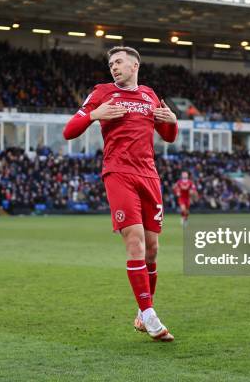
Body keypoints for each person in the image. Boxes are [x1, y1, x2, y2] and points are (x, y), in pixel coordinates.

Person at [63, 46, 177, 341]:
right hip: (119, 173)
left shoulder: (150, 95)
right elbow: (69, 131)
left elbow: (168, 136)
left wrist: (173, 120)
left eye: (119, 62)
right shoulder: (101, 92)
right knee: (136, 242)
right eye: (111, 63)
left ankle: (142, 313)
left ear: (135, 65)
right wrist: (93, 115)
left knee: (153, 248)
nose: (113, 67)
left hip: (150, 176)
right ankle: (150, 315)